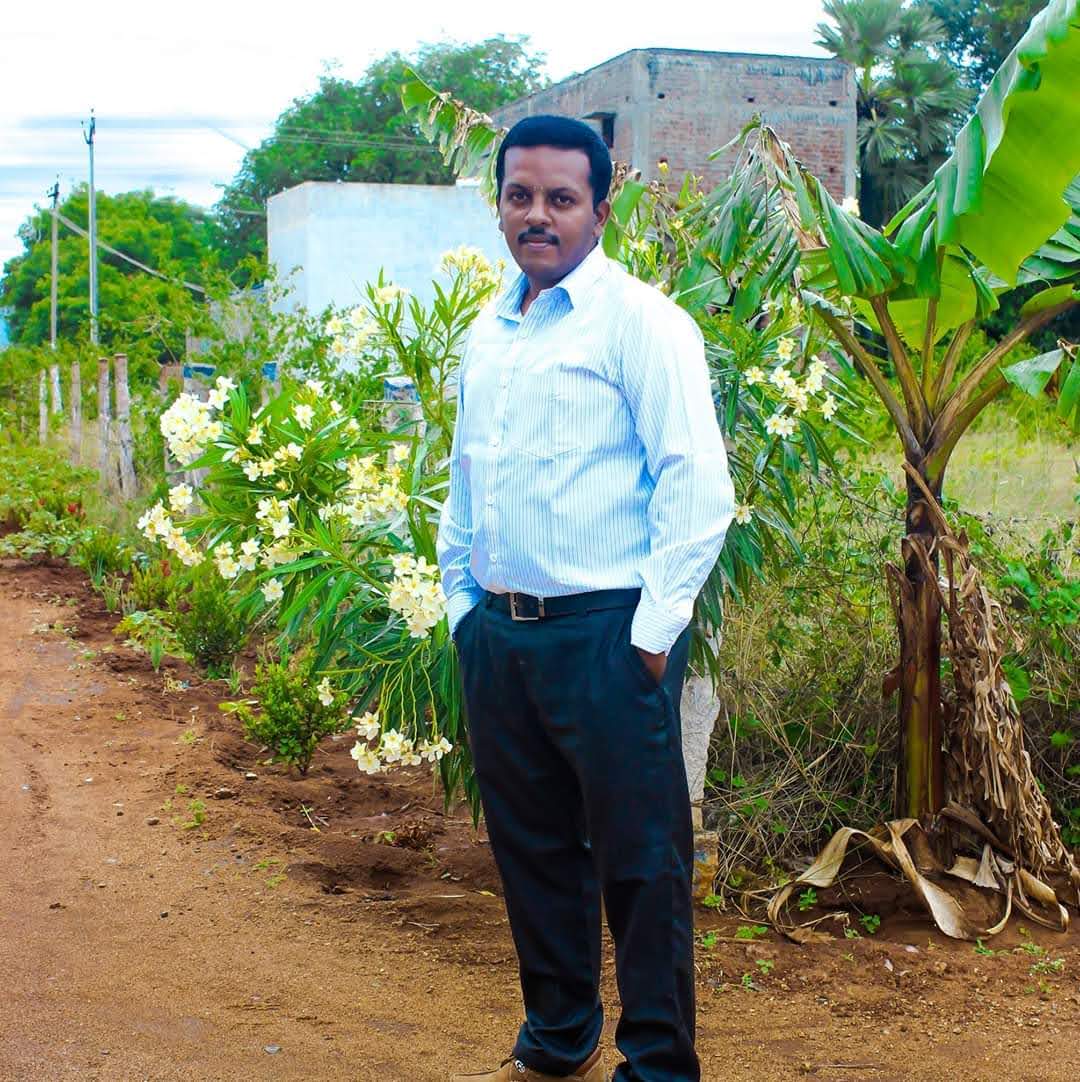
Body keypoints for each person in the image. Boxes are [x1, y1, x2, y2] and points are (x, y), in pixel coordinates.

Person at [437, 114, 735, 1082]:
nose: (538, 214)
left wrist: (649, 638)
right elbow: (467, 476)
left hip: (610, 635)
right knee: (532, 851)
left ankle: (656, 1066)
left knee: (643, 865)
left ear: (601, 210)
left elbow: (697, 485)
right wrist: (463, 606)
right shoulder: (490, 331)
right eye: (520, 195)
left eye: (561, 198)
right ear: (499, 205)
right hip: (502, 634)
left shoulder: (644, 323)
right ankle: (559, 1041)